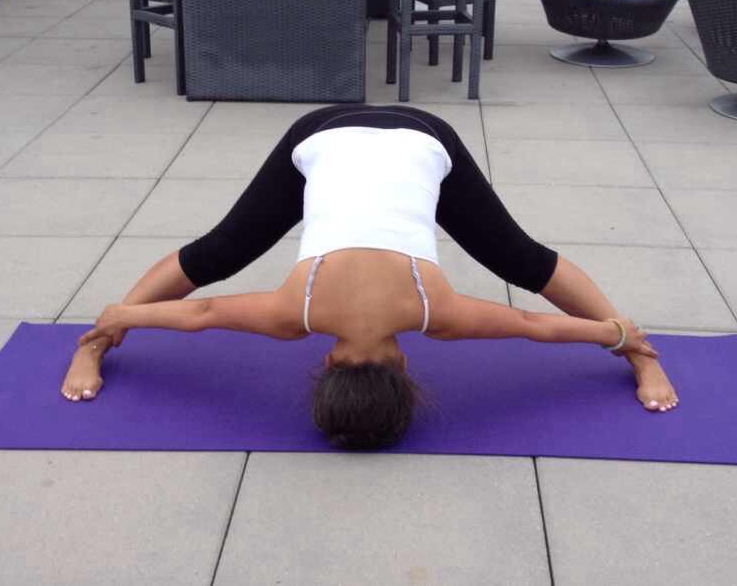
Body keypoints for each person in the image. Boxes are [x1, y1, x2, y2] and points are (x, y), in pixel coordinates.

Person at [63, 105, 679, 449]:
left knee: (524, 262)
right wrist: (124, 315)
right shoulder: (294, 315)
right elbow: (200, 315)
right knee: (216, 255)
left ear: (404, 365)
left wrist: (615, 334)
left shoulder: (437, 316)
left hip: (412, 136)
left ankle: (639, 351)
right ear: (329, 363)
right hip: (337, 133)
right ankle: (96, 339)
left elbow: (530, 325)